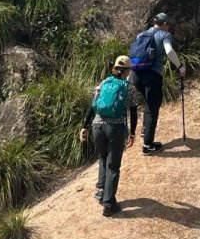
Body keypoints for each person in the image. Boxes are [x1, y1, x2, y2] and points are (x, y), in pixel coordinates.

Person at [79, 55, 143, 217]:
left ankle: (101, 191)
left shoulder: (103, 83)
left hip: (97, 126)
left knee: (103, 157)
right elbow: (133, 113)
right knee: (113, 165)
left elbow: (93, 106)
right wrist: (133, 133)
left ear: (114, 68)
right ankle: (109, 204)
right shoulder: (129, 87)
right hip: (115, 128)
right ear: (127, 70)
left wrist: (85, 127)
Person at [129, 12, 185, 154]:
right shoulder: (165, 35)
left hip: (134, 75)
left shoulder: (142, 34)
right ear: (165, 24)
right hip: (151, 75)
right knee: (152, 109)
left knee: (148, 103)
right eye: (168, 24)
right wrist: (180, 66)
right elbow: (169, 51)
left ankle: (145, 129)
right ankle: (147, 146)